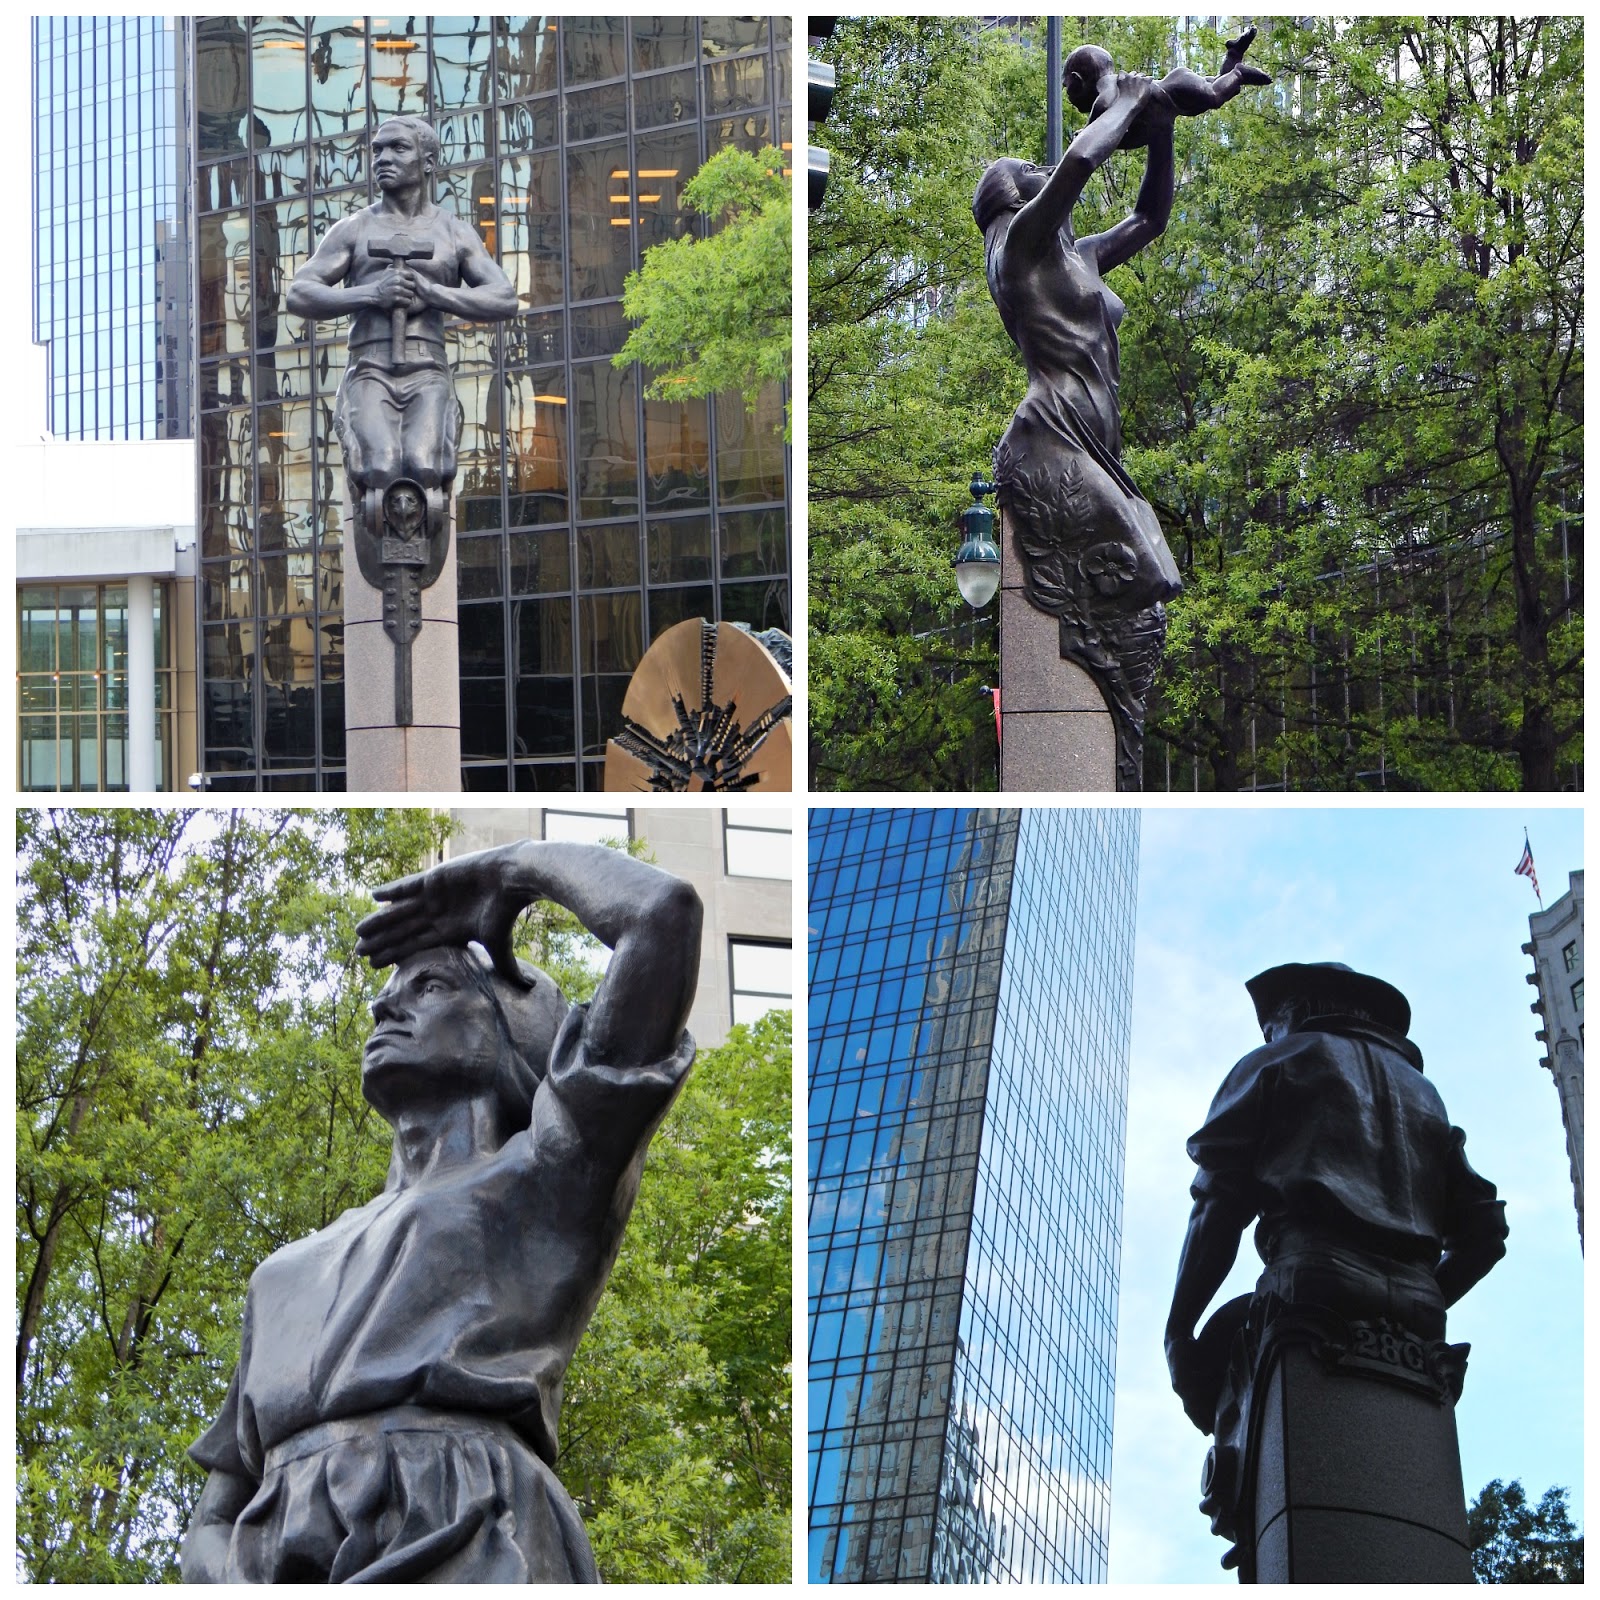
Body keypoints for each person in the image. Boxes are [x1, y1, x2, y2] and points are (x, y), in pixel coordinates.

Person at [179, 841, 702, 1583]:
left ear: (511, 1034)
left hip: (470, 1539)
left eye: (430, 987)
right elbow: (214, 1515)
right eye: (394, 990)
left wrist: (509, 872)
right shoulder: (280, 1277)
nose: (385, 1003)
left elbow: (663, 914)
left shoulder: (547, 1175)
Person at [1164, 962, 1508, 1434]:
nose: (1270, 1039)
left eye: (1271, 1028)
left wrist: (1178, 1333)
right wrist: (1413, 1303)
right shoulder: (1428, 1097)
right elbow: (1486, 1237)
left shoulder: (1279, 1061)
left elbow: (1218, 1205)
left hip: (1311, 1282)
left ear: (1298, 1011)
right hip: (1423, 1311)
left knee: (1224, 1353)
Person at [973, 69, 1184, 617]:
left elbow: (1149, 218)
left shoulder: (1079, 256)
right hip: (1055, 428)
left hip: (1096, 432)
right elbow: (1079, 163)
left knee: (1143, 575)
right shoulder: (1019, 245)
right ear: (1011, 197)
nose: (1042, 171)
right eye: (1028, 171)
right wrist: (1130, 101)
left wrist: (1161, 128)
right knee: (1142, 569)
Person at [285, 116, 516, 523]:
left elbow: (503, 298)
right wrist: (371, 293)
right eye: (377, 150)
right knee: (381, 464)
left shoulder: (454, 233)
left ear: (427, 162)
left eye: (397, 148)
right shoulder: (354, 229)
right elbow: (300, 292)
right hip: (370, 366)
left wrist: (433, 293)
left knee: (426, 465)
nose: (383, 159)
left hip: (427, 368)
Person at [1063, 27, 1271, 147]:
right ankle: (1234, 54)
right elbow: (1133, 138)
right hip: (1176, 98)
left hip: (1177, 88)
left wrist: (1087, 132)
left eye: (1066, 86)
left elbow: (1102, 104)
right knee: (1216, 85)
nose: (1066, 94)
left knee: (1215, 95)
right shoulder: (1122, 103)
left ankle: (1239, 72)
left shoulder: (1108, 84)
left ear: (1077, 79)